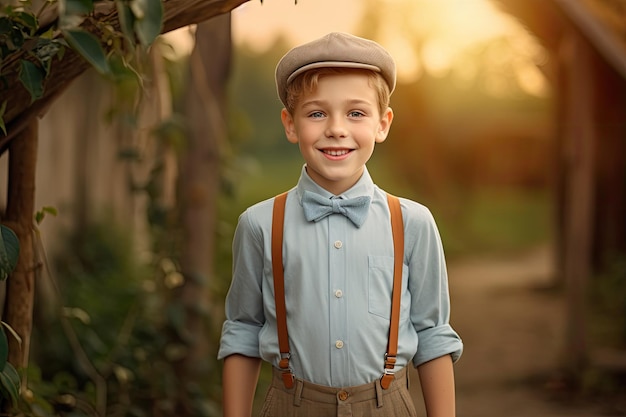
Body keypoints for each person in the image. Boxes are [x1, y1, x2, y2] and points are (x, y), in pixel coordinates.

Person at [218, 32, 463, 417]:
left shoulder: (413, 222)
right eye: (317, 113)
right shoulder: (260, 224)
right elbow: (243, 330)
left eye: (356, 113)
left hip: (387, 406)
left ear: (382, 124)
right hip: (290, 405)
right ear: (290, 124)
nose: (336, 128)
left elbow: (433, 335)